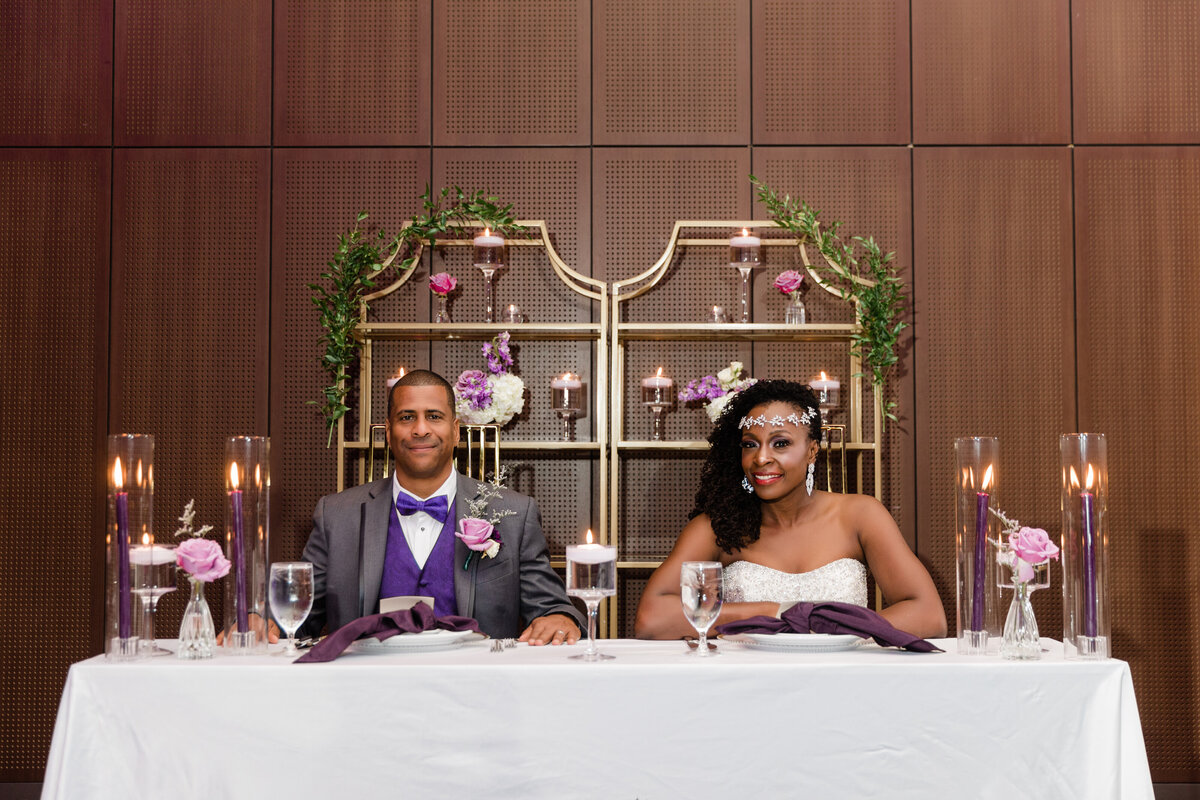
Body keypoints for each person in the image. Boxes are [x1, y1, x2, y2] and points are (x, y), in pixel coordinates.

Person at [635, 380, 946, 640]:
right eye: (750, 444)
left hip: (846, 685)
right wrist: (776, 613)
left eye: (780, 444)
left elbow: (929, 615)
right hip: (747, 687)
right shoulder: (715, 526)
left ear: (812, 450)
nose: (761, 458)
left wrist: (833, 630)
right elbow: (651, 619)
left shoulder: (860, 515)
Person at [299, 369, 583, 645]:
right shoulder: (336, 515)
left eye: (434, 417)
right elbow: (297, 613)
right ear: (388, 431)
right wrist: (268, 621)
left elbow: (553, 607)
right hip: (367, 687)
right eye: (406, 417)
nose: (420, 429)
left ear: (455, 430)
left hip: (478, 687)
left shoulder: (515, 515)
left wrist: (559, 617)